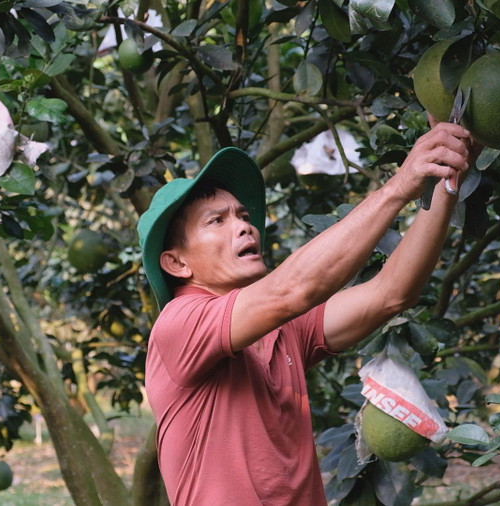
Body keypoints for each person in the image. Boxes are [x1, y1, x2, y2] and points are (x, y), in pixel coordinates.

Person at [137, 116, 477, 506]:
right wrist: (401, 184)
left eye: (243, 216)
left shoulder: (282, 329)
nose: (245, 227)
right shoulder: (180, 324)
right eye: (217, 220)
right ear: (177, 264)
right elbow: (292, 290)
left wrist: (447, 179)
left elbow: (390, 294)